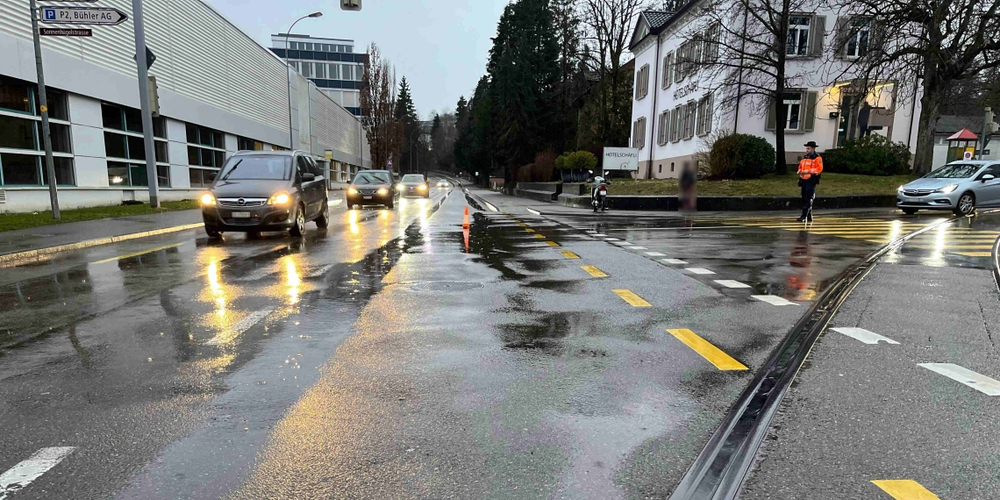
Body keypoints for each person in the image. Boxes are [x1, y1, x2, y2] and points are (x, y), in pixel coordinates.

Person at [797, 141, 824, 222]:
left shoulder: (817, 158)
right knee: (804, 197)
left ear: (813, 148)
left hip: (811, 180)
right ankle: (808, 216)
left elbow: (819, 169)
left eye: (808, 148)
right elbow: (801, 166)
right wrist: (799, 171)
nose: (807, 150)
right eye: (806, 148)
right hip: (804, 180)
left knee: (808, 197)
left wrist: (807, 171)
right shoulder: (805, 157)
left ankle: (804, 216)